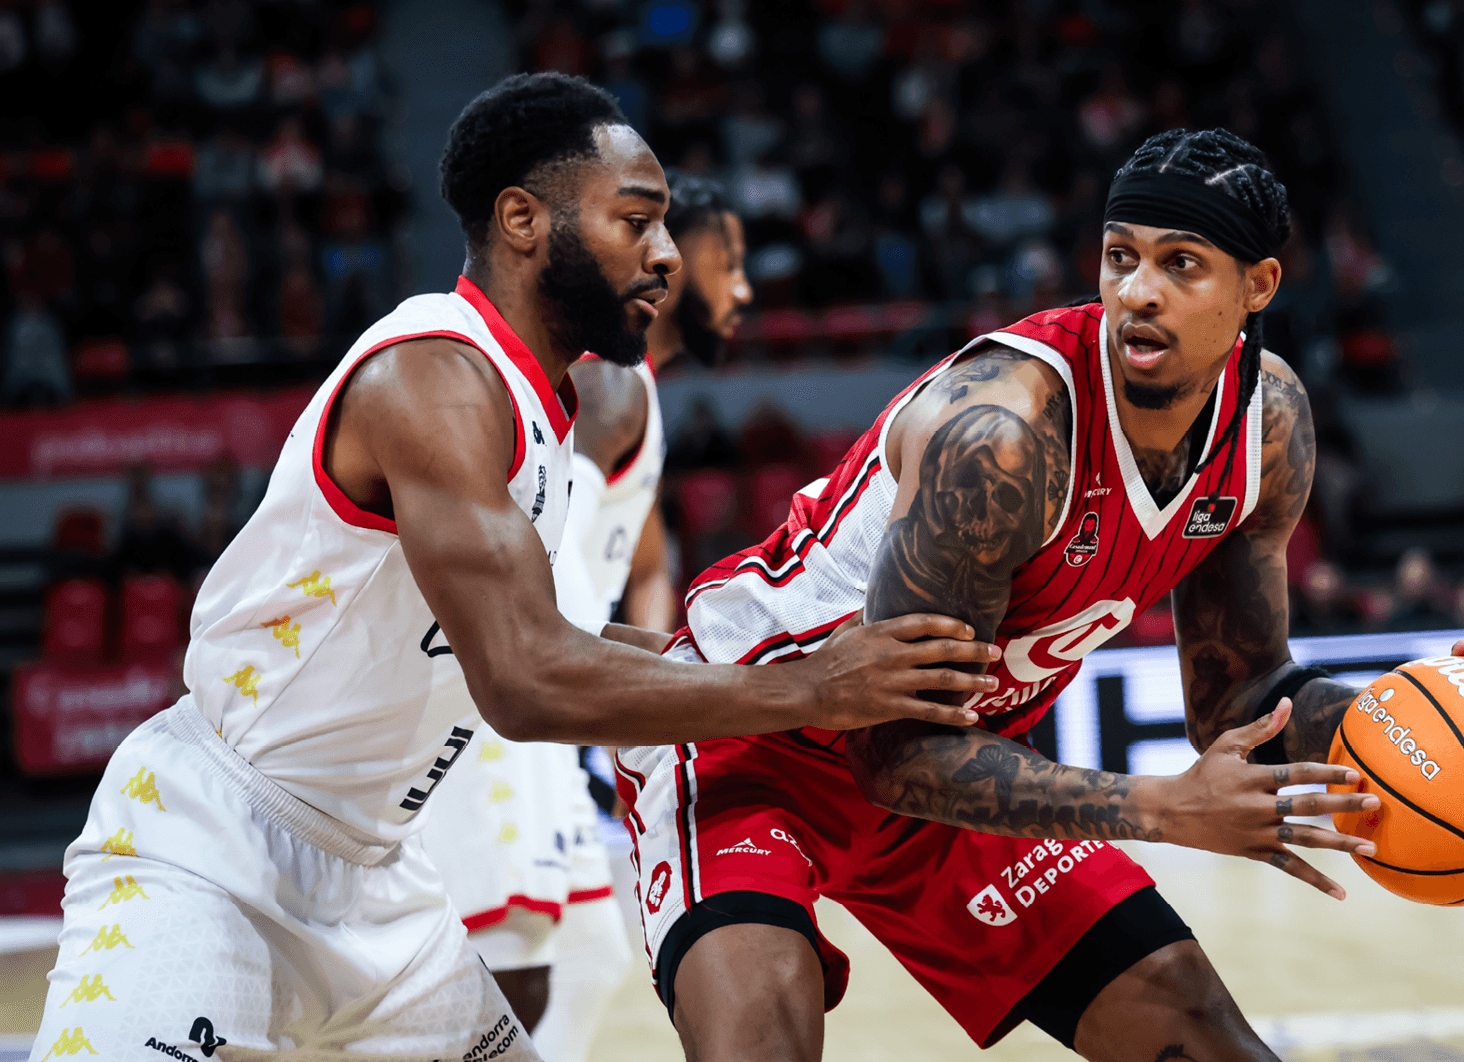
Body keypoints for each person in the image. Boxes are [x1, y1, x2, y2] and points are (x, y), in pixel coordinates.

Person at [29, 72, 1000, 1062]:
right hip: (216, 842)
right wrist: (810, 689)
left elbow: (557, 628)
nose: (667, 254)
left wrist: (800, 654)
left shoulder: (541, 407)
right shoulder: (434, 378)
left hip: (379, 879)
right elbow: (527, 678)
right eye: (636, 221)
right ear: (523, 220)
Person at [618, 128, 1464, 1061]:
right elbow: (894, 753)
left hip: (956, 768)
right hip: (756, 744)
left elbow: (1242, 697)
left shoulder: (1267, 427)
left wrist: (1419, 714)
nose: (1138, 291)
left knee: (1214, 1044)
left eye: (1182, 264)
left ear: (1258, 285)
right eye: (1120, 256)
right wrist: (1161, 809)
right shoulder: (999, 435)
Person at [417, 170, 756, 1062]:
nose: (743, 288)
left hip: (549, 692)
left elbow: (643, 562)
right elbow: (539, 544)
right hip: (502, 699)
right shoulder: (609, 387)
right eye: (728, 260)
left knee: (591, 951)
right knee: (515, 963)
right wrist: (620, 688)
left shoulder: (634, 394)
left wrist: (641, 677)